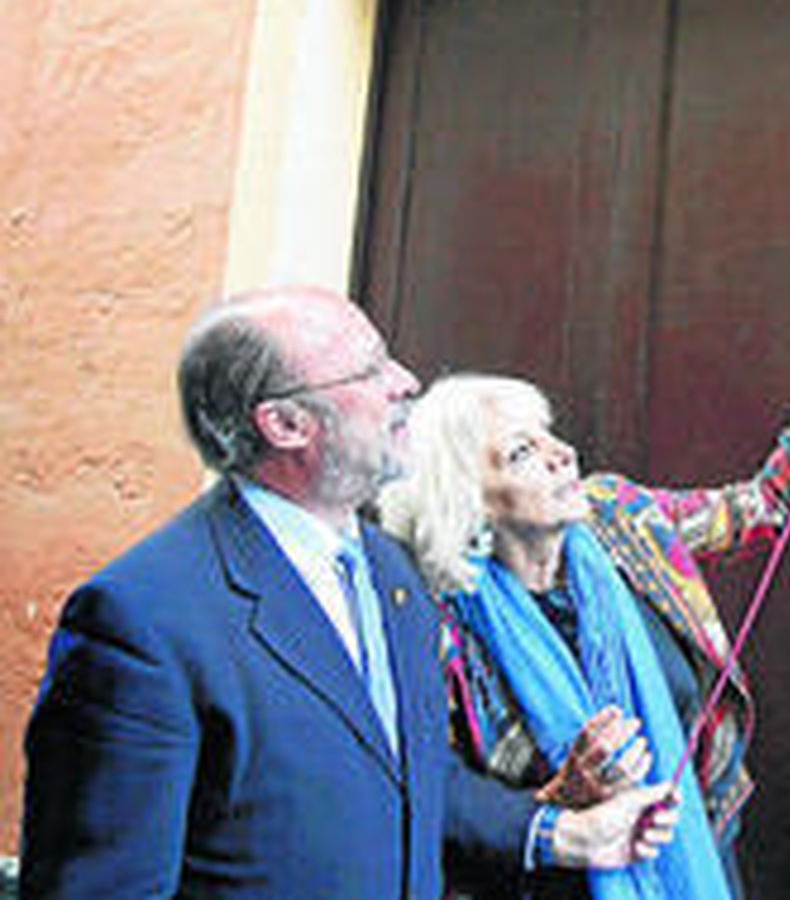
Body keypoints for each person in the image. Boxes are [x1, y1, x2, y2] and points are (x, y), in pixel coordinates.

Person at [20, 285, 678, 900]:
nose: (406, 383)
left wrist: (561, 834)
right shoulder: (143, 620)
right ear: (284, 423)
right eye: (369, 371)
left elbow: (411, 774)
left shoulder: (392, 573)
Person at [379, 284, 790, 900]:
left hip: (695, 854)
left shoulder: (620, 515)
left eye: (548, 433)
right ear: (467, 502)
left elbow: (764, 505)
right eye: (521, 452)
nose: (562, 455)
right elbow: (437, 806)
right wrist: (562, 798)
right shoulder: (439, 625)